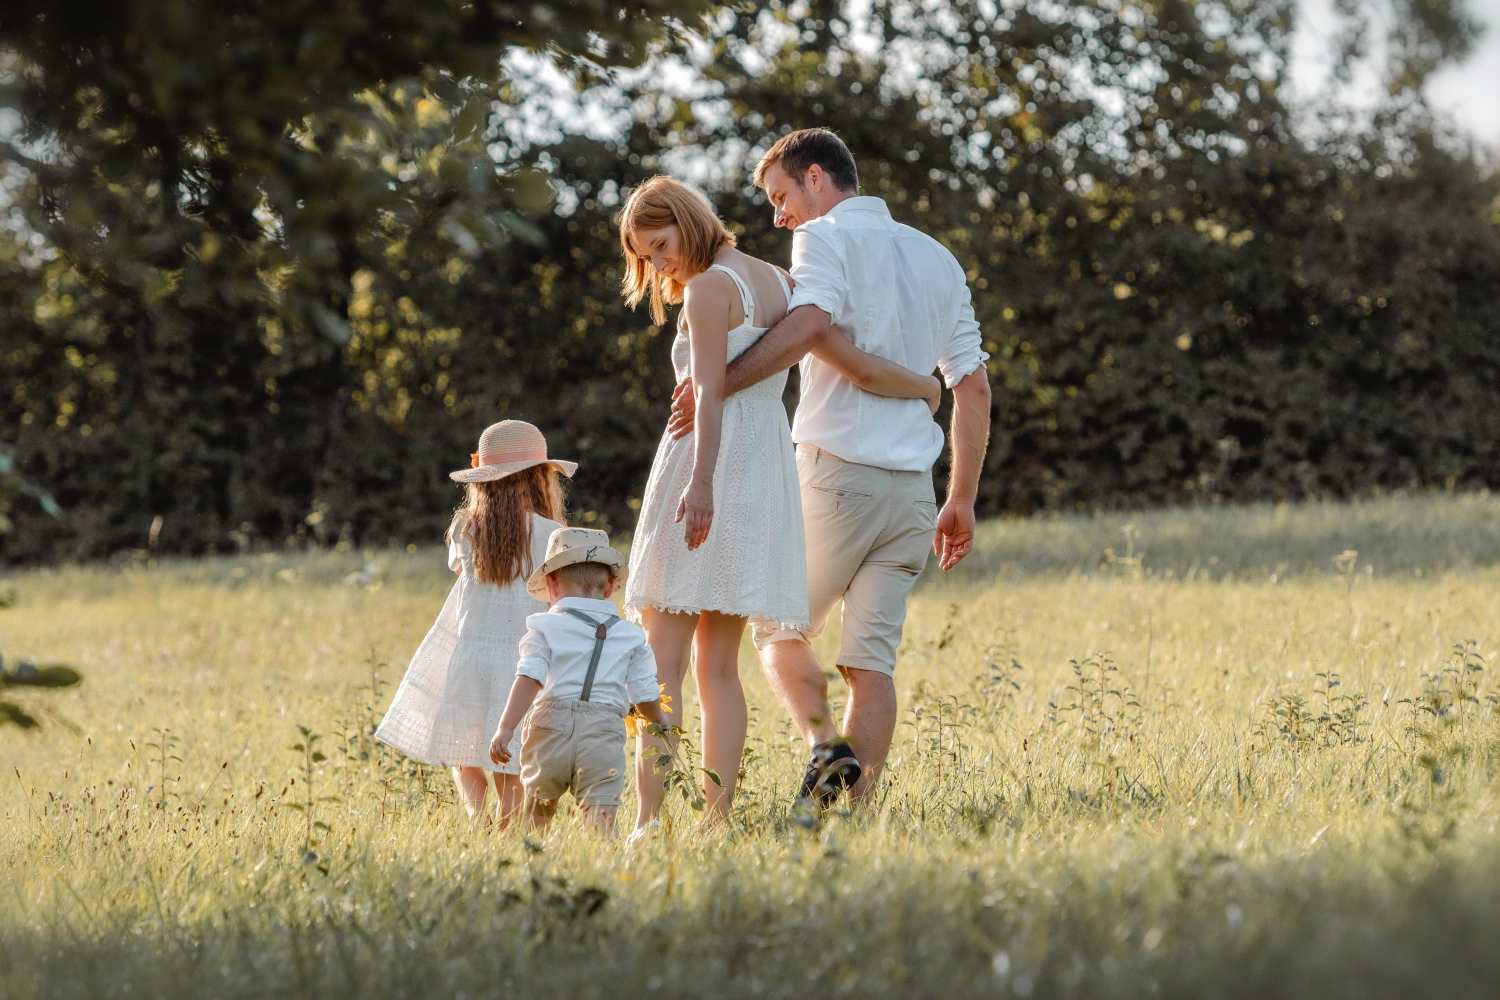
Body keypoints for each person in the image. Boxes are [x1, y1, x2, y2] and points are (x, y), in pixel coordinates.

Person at [668, 128, 992, 808]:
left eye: (781, 196)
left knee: (776, 628)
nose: (778, 216)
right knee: (870, 665)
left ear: (817, 178)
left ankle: (826, 750)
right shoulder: (940, 258)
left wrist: (716, 382)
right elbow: (974, 387)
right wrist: (960, 498)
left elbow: (812, 325)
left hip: (836, 476)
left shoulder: (824, 239)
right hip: (913, 496)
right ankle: (850, 818)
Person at [616, 175, 944, 834]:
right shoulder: (777, 278)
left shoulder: (710, 287)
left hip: (703, 469)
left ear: (685, 219)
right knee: (719, 668)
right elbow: (836, 350)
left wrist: (700, 483)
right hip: (761, 473)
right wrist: (921, 385)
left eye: (659, 245)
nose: (659, 265)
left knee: (662, 668)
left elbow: (709, 394)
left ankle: (649, 820)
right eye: (646, 258)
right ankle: (715, 818)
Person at [375, 420, 572, 826]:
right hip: (525, 662)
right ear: (539, 479)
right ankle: (508, 829)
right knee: (511, 760)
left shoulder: (465, 528)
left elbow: (456, 568)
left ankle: (476, 819)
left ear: (483, 480)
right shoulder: (554, 535)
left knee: (464, 752)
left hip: (470, 656)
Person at [488, 527, 666, 834]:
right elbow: (645, 693)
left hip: (549, 728)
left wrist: (506, 727)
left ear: (552, 585)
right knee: (601, 817)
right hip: (602, 731)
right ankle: (598, 867)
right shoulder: (632, 636)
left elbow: (529, 678)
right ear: (611, 586)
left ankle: (532, 865)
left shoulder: (543, 627)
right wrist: (660, 722)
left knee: (537, 813)